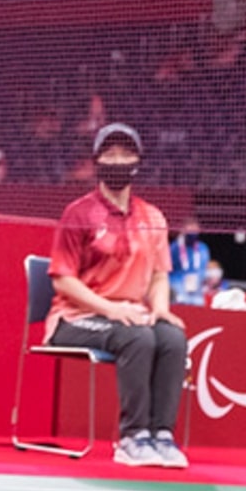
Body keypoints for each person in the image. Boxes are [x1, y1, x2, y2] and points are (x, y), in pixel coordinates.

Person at [45, 123, 188, 468]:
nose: (118, 160)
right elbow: (62, 281)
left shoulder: (152, 216)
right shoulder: (78, 213)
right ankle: (133, 437)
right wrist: (109, 309)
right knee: (137, 338)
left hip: (129, 314)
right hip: (74, 318)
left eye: (126, 153)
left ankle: (162, 435)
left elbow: (158, 274)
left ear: (138, 161)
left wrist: (161, 309)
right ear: (97, 161)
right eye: (110, 154)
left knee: (171, 338)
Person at [168, 217, 211, 307]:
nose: (192, 231)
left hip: (198, 289)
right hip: (178, 287)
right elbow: (168, 269)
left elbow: (204, 269)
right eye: (189, 227)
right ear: (183, 229)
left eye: (194, 228)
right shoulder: (175, 248)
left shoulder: (203, 248)